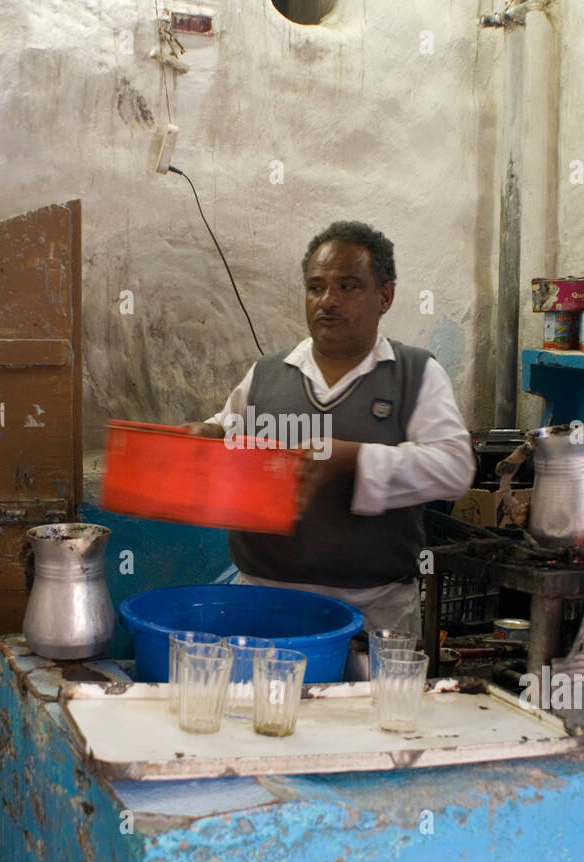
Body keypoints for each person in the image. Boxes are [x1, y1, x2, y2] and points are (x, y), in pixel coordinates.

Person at [182, 221, 476, 638]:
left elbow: (455, 468)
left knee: (362, 706)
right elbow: (227, 430)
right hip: (264, 602)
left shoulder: (414, 374)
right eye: (315, 287)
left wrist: (354, 459)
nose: (327, 301)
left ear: (385, 296)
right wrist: (208, 437)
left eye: (349, 286)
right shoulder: (268, 374)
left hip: (374, 612)